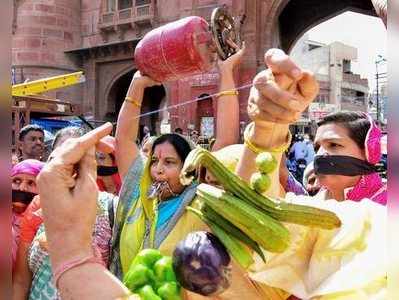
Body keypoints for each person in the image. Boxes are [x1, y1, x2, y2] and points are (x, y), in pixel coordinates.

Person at [111, 42, 245, 282]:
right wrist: (137, 85)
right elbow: (123, 140)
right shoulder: (138, 194)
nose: (158, 169)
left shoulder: (199, 201)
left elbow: (225, 140)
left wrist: (225, 72)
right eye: (154, 161)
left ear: (189, 169)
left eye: (170, 162)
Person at [12, 126, 115, 300]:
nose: (67, 164)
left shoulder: (110, 207)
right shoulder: (37, 207)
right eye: (61, 157)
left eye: (75, 158)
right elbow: (21, 280)